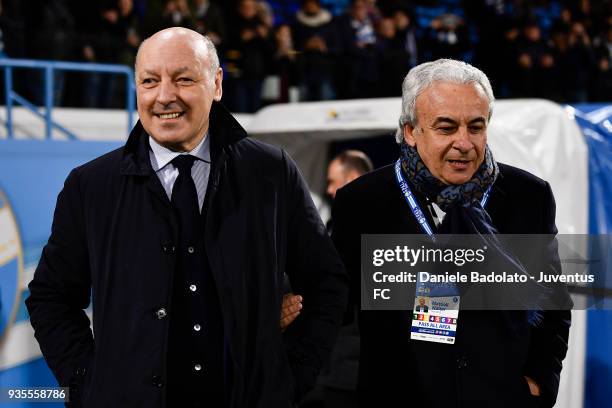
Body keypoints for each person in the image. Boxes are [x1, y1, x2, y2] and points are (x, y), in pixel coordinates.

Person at [26, 27, 348, 408]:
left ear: (216, 84)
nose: (165, 96)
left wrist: (288, 376)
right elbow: (51, 297)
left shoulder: (271, 172)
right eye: (150, 81)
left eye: (183, 79)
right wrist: (88, 384)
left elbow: (327, 283)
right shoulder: (91, 186)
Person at [331, 59, 572, 408]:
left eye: (476, 127)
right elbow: (336, 308)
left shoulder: (528, 196)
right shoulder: (363, 202)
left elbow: (553, 301)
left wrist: (538, 383)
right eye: (446, 128)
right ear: (411, 131)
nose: (464, 142)